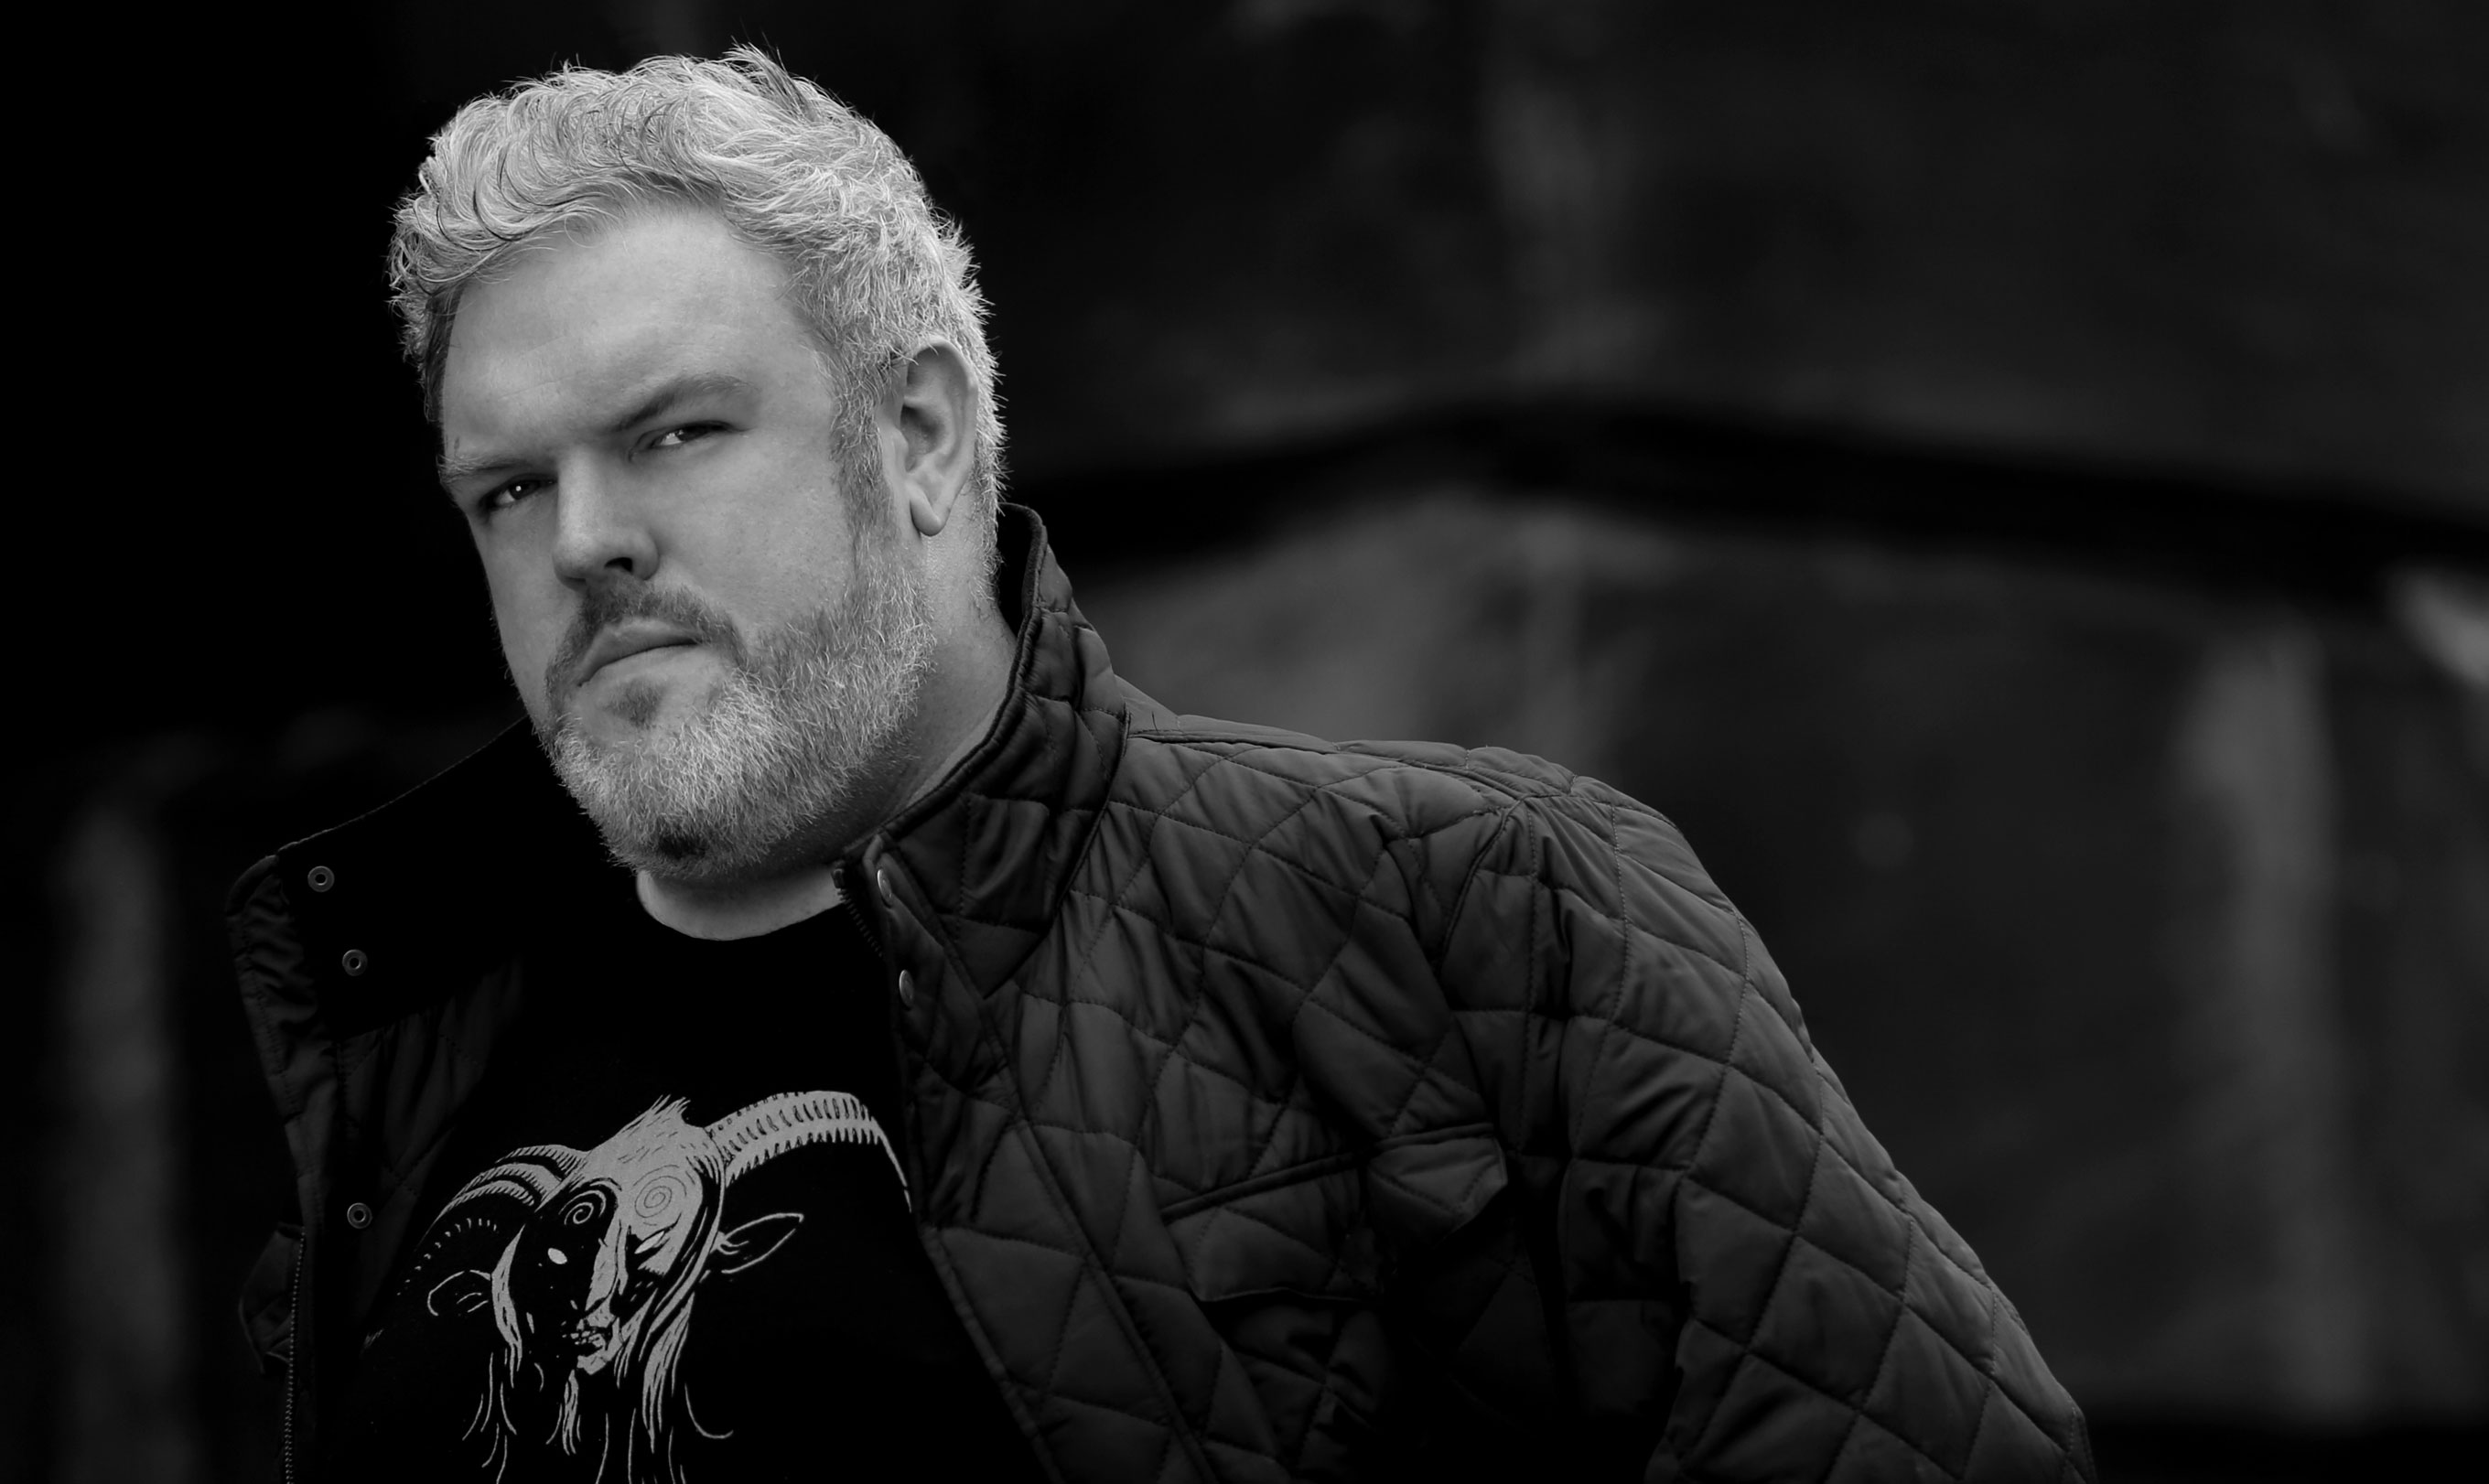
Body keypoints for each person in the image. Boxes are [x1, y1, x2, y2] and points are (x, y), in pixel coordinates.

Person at [229, 48, 2095, 1484]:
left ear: (920, 438)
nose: (582, 542)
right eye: (509, 488)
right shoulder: (397, 1053)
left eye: (673, 432)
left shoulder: (1461, 920)